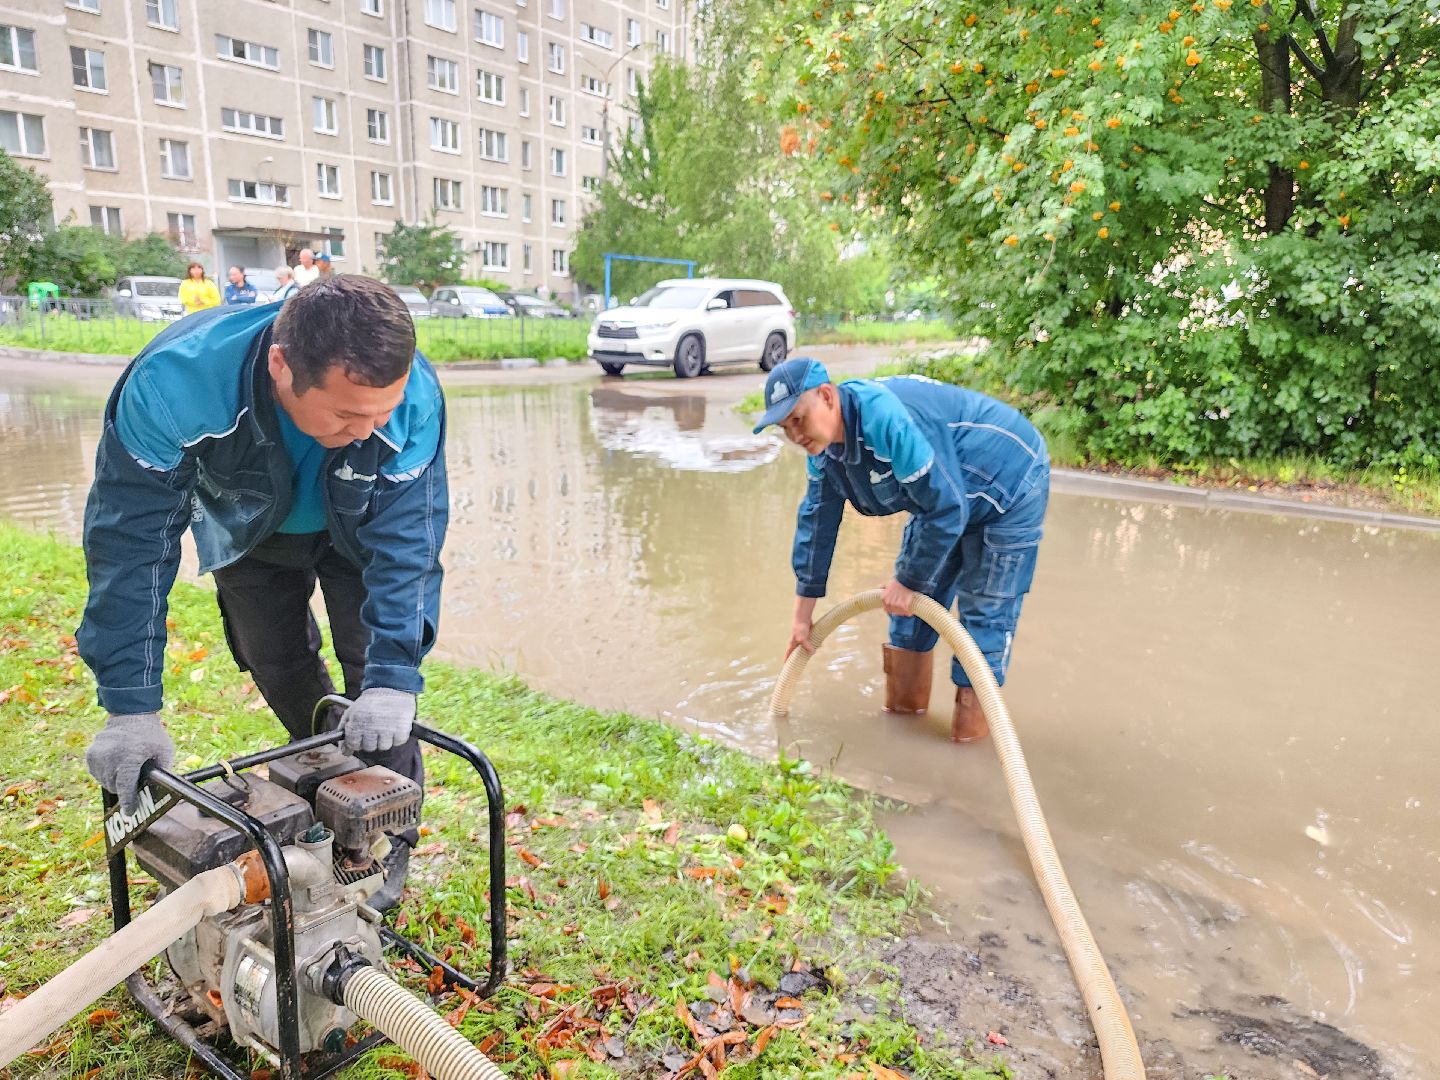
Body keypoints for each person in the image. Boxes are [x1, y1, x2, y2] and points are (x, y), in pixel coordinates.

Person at [77, 276, 448, 911]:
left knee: (378, 685)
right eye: (346, 413)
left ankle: (388, 838)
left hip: (361, 528)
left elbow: (410, 542)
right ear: (281, 365)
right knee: (274, 658)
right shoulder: (174, 388)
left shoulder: (410, 397)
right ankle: (328, 774)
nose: (368, 429)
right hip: (250, 528)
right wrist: (128, 705)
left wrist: (393, 677)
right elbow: (131, 544)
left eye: (380, 413)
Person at [756, 358, 1049, 743]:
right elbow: (817, 525)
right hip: (945, 497)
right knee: (908, 620)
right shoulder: (823, 452)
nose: (794, 435)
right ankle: (901, 736)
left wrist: (908, 580)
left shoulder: (883, 419)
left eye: (797, 419)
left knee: (982, 624)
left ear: (826, 397)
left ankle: (967, 748)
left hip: (1007, 488)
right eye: (784, 428)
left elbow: (947, 509)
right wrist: (802, 618)